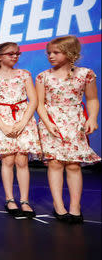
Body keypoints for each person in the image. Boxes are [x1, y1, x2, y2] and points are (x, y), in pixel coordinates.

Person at [36, 35, 100, 224]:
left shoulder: (85, 74)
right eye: (49, 53)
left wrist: (93, 118)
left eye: (56, 52)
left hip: (74, 122)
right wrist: (48, 123)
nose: (51, 56)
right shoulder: (43, 76)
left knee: (73, 164)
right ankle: (59, 205)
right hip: (52, 122)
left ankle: (75, 207)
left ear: (70, 53)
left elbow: (92, 99)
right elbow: (39, 104)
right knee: (55, 163)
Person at [0, 42, 41, 218]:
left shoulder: (24, 75)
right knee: (8, 161)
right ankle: (10, 199)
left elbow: (33, 100)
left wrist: (23, 122)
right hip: (3, 120)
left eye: (17, 53)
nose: (15, 56)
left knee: (22, 161)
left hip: (23, 118)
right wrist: (2, 125)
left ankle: (24, 200)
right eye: (10, 53)